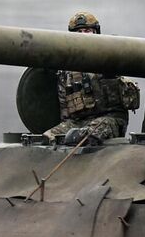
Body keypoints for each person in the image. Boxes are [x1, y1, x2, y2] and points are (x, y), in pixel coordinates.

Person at [44, 11, 139, 145]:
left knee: (86, 136)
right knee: (49, 138)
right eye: (79, 32)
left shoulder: (108, 57)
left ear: (95, 33)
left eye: (87, 30)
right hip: (76, 123)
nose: (83, 35)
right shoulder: (66, 71)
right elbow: (64, 109)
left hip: (109, 119)